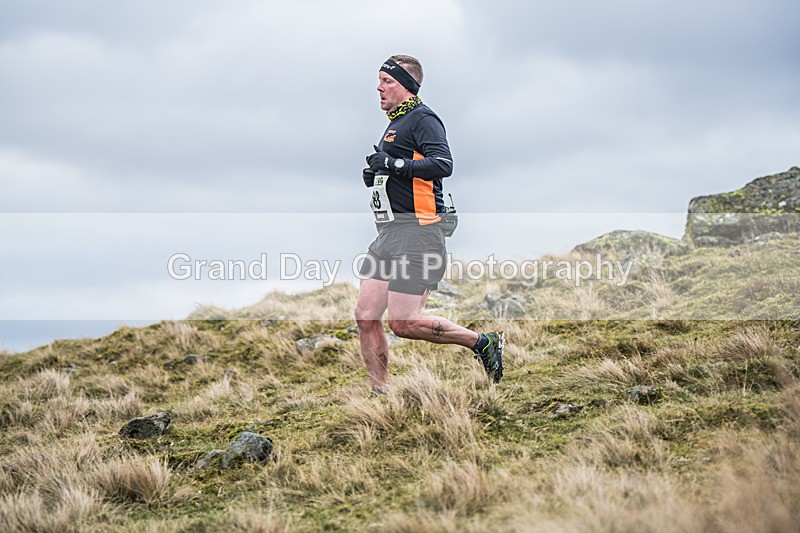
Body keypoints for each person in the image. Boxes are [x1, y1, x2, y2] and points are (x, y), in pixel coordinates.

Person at [354, 54, 504, 396]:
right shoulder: (396, 122)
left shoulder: (423, 118)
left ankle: (483, 342)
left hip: (418, 233)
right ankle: (380, 392)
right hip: (388, 235)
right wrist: (377, 175)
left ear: (406, 85)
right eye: (378, 81)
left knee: (403, 323)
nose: (379, 87)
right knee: (365, 315)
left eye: (386, 80)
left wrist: (391, 163)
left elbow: (443, 164)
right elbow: (405, 168)